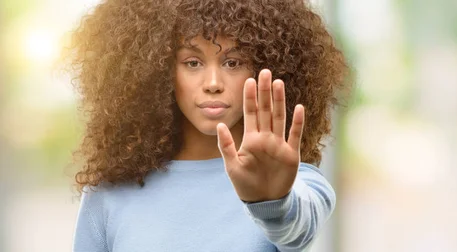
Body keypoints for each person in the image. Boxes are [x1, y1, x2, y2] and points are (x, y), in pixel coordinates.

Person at [63, 0, 349, 251]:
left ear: (267, 66)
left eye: (233, 62)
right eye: (192, 62)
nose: (213, 84)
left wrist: (272, 203)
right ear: (158, 69)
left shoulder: (293, 183)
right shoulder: (110, 193)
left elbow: (296, 231)